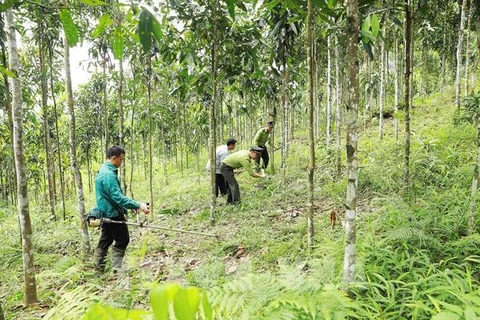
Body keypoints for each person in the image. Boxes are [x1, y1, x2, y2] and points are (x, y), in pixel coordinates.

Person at [94, 146, 150, 273]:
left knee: (105, 240)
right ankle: (116, 269)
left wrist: (129, 207)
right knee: (123, 239)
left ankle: (98, 268)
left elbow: (113, 196)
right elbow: (117, 197)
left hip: (106, 212)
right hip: (112, 213)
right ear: (114, 158)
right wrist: (138, 205)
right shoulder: (108, 175)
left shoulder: (104, 170)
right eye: (121, 159)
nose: (122, 162)